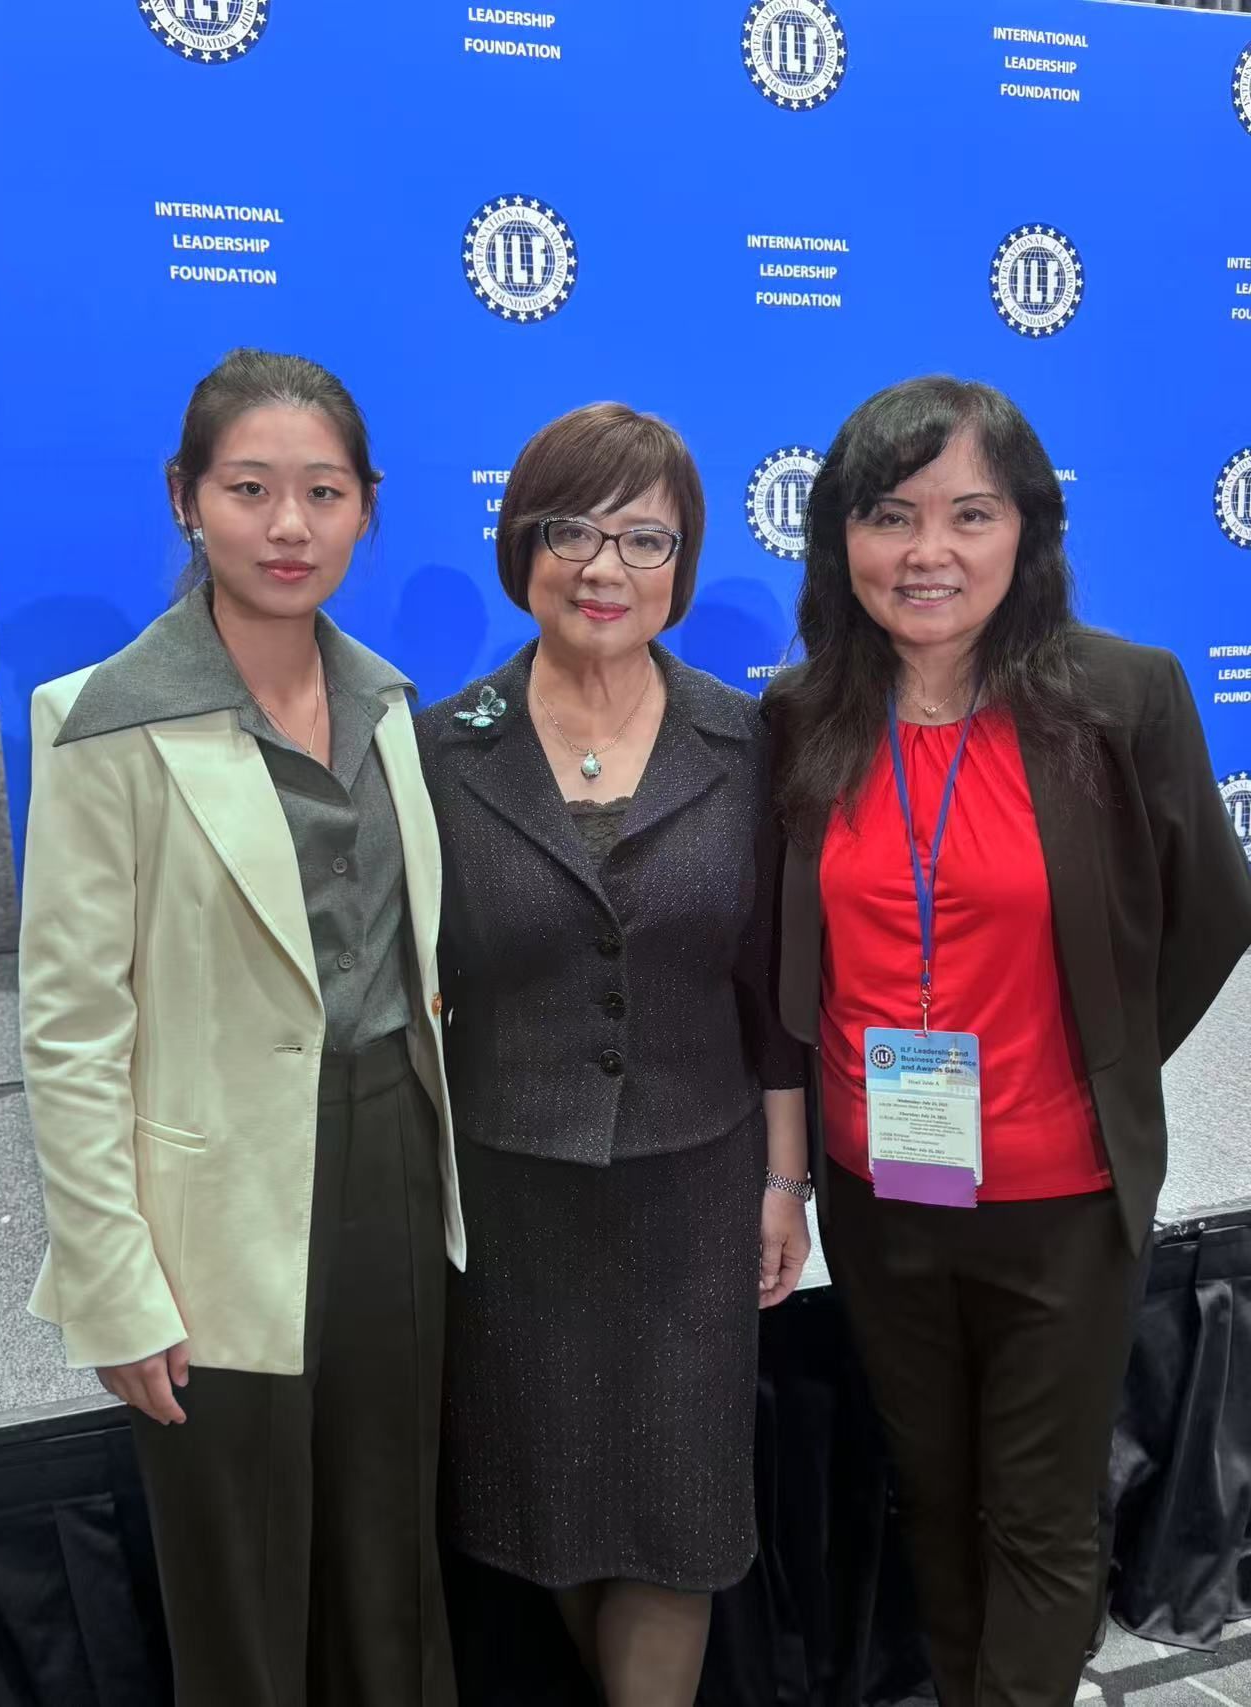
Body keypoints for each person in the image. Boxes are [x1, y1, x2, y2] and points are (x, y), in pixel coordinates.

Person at [764, 374, 1251, 1707]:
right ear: (840, 540)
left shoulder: (1121, 698)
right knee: (933, 1497)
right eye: (890, 516)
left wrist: (1094, 1062)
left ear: (1027, 531)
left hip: (1062, 1193)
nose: (929, 553)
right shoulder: (803, 716)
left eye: (969, 514)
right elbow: (781, 952)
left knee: (1038, 1519)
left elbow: (1211, 910)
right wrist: (791, 1172)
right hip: (882, 1191)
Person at [18, 348, 464, 1707]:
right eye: (251, 489)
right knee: (241, 1568)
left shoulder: (395, 709)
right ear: (185, 499)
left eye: (323, 493)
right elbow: (74, 1029)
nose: (288, 526)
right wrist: (114, 1278)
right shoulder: (97, 725)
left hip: (393, 1152)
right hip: (209, 1203)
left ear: (366, 511)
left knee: (391, 1546)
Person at [415, 402, 810, 1707]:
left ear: (685, 562)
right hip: (516, 1201)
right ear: (522, 544)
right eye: (571, 531)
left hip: (693, 1193)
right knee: (554, 1511)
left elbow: (774, 990)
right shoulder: (439, 749)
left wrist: (780, 1181)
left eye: (644, 538)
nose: (604, 568)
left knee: (677, 1513)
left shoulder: (747, 743)